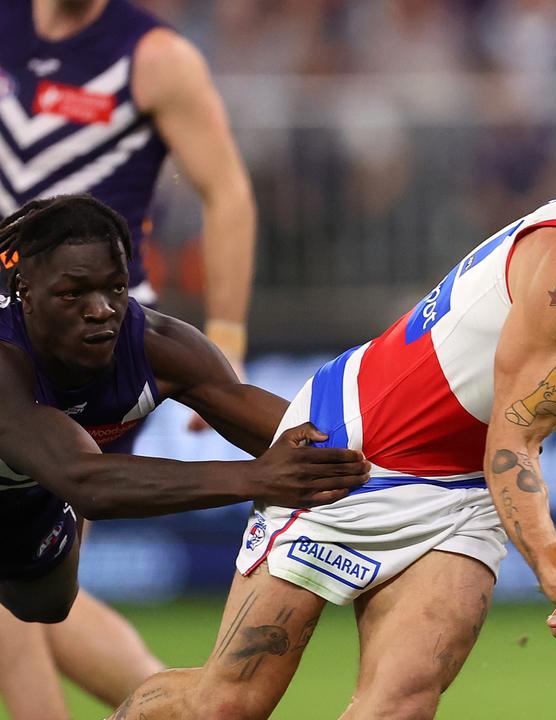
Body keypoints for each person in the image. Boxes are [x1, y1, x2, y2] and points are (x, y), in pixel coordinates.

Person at [111, 56, 556, 719]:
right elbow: (516, 434)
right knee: (227, 706)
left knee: (402, 704)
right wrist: (551, 570)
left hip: (470, 486)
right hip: (353, 450)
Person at [0, 195, 367, 716]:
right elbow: (89, 484)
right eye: (73, 293)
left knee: (47, 604)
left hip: (27, 488)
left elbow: (281, 429)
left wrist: (374, 456)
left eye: (115, 288)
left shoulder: (156, 343)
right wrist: (258, 479)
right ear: (26, 294)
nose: (101, 309)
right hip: (61, 474)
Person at [0, 0, 260, 713]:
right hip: (14, 334)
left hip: (89, 352)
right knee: (43, 581)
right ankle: (193, 710)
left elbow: (227, 192)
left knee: (13, 556)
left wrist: (227, 343)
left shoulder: (153, 57)